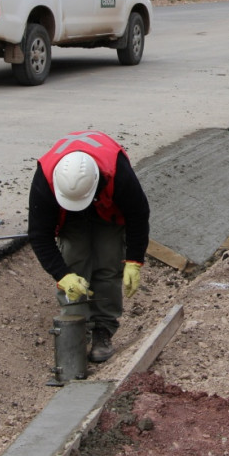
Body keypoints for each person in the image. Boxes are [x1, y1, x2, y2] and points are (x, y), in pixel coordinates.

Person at [27, 130, 150, 364]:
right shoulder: (45, 180)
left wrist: (134, 260)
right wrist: (62, 276)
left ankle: (103, 329)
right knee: (74, 258)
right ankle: (75, 332)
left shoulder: (117, 172)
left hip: (108, 207)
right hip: (68, 215)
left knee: (108, 261)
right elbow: (39, 235)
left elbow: (138, 215)